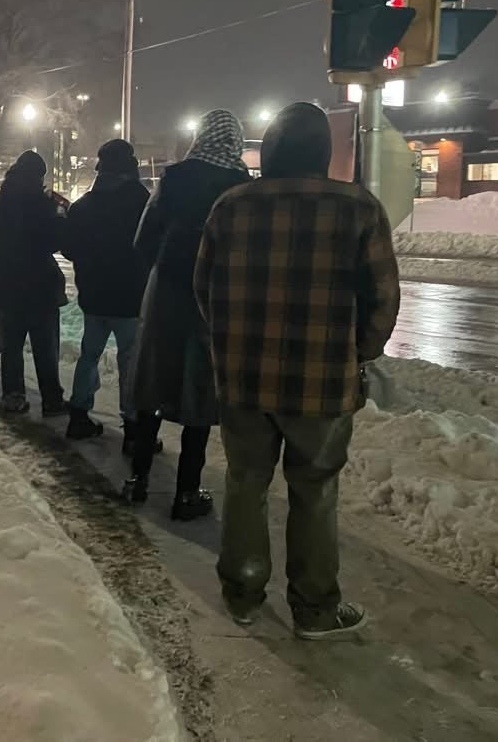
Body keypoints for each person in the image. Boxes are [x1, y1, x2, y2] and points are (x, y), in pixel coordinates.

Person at [194, 102, 400, 639]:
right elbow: (382, 298)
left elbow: (204, 288)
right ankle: (313, 609)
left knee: (245, 483)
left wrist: (230, 342)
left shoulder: (229, 206)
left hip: (242, 381)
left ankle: (241, 594)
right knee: (314, 491)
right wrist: (358, 352)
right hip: (322, 383)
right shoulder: (358, 207)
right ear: (322, 153)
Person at [124, 110, 251, 519]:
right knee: (199, 394)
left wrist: (163, 270)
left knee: (153, 385)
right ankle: (186, 493)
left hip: (165, 297)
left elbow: (143, 240)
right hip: (213, 301)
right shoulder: (240, 188)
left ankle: (137, 480)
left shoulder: (173, 178)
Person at [62, 139, 150, 442]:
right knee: (129, 360)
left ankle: (78, 414)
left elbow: (69, 249)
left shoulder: (84, 205)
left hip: (93, 295)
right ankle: (133, 427)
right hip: (129, 297)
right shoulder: (141, 201)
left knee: (89, 354)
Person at [0, 150, 68, 416]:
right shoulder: (41, 204)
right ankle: (51, 399)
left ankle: (13, 395)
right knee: (45, 347)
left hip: (7, 284)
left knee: (11, 347)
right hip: (39, 286)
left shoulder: (0, 202)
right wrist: (60, 214)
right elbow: (54, 242)